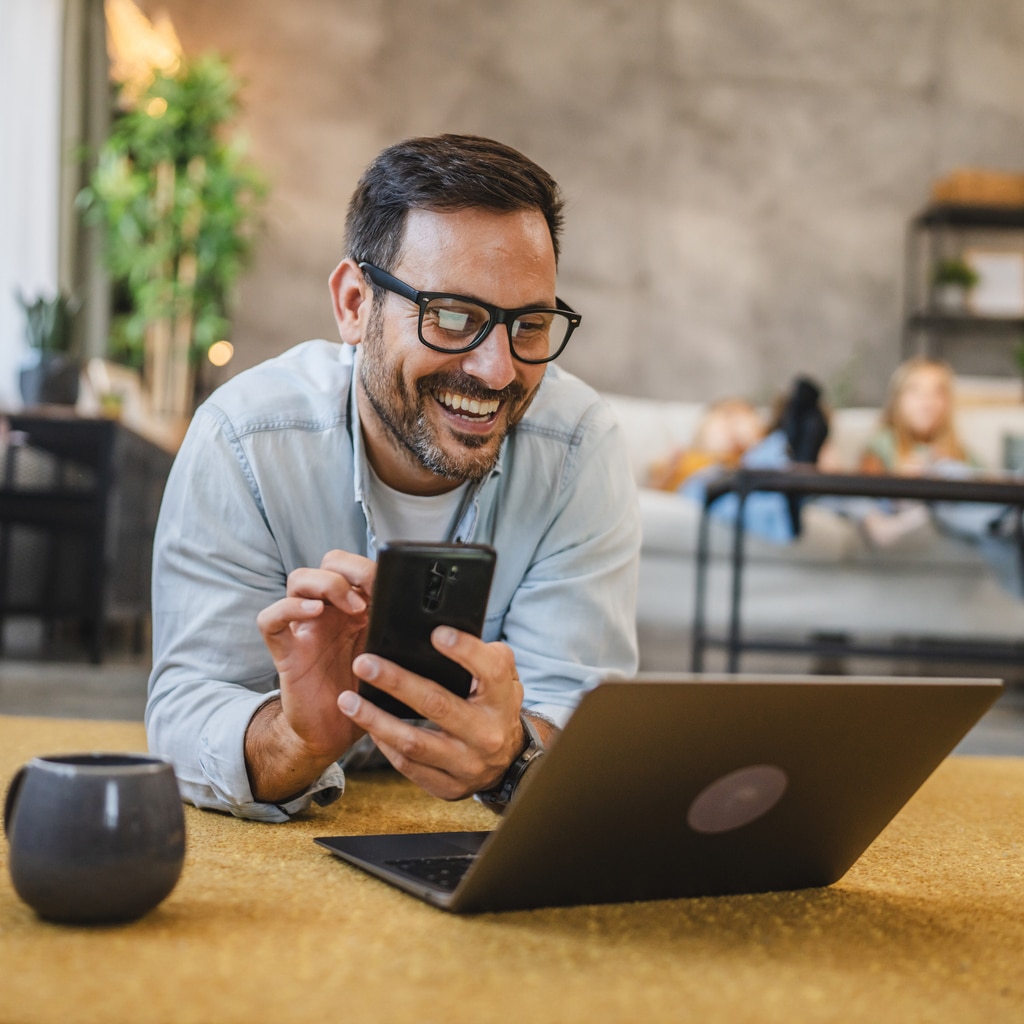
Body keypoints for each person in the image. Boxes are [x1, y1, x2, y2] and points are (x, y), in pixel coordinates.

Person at [145, 134, 641, 822]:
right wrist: (295, 738)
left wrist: (512, 755)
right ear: (354, 304)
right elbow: (186, 708)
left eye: (528, 325)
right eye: (453, 317)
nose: (497, 370)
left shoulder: (579, 445)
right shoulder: (245, 441)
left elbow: (578, 714)